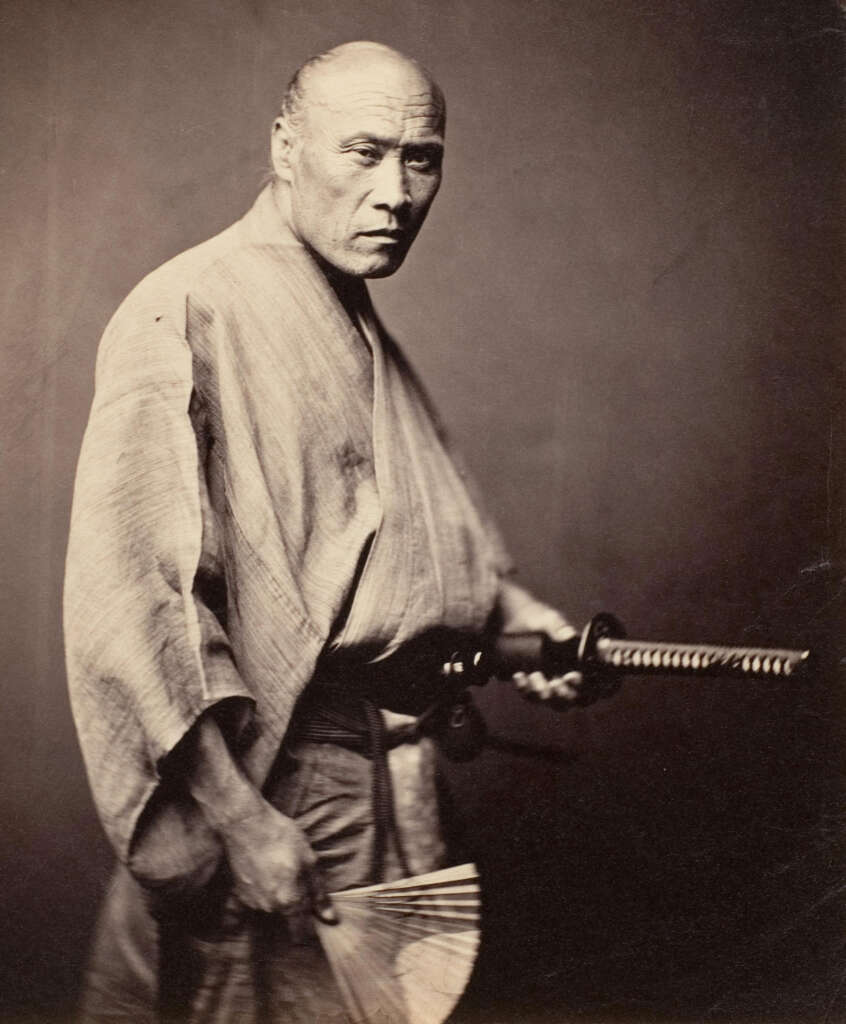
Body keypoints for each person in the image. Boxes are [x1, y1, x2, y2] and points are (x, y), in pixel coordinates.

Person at [64, 40, 592, 1023]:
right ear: (284, 146)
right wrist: (240, 817)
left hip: (391, 763)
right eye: (364, 151)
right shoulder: (188, 307)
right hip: (274, 776)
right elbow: (142, 602)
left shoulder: (347, 312)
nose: (396, 190)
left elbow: (414, 532)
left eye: (421, 157)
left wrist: (529, 624)